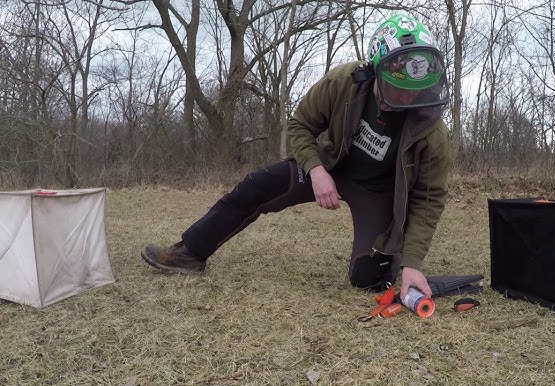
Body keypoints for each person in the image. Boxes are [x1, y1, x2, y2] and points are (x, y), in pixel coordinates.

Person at [141, 14, 450, 300]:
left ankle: (390, 256)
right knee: (257, 185)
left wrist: (412, 262)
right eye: (397, 90)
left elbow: (428, 198)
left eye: (416, 91)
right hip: (333, 167)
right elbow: (299, 125)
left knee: (369, 279)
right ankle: (190, 252)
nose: (408, 99)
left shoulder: (430, 128)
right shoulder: (344, 82)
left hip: (380, 193)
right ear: (376, 72)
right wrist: (316, 170)